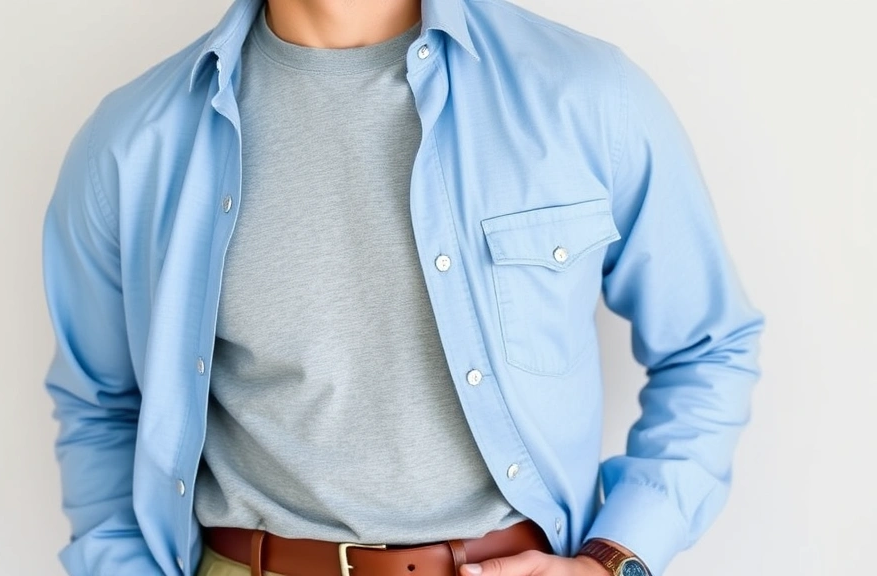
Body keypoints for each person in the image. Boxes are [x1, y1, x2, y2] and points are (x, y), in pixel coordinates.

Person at [41, 0, 764, 574]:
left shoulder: (585, 96)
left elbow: (709, 347)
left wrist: (617, 559)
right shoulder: (133, 144)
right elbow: (98, 405)